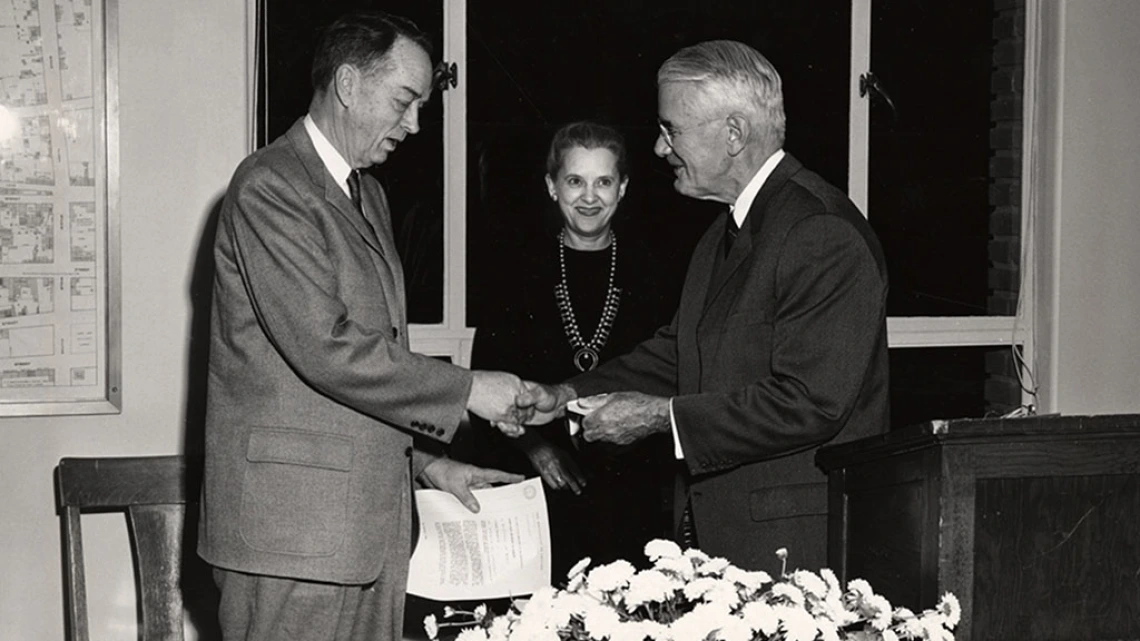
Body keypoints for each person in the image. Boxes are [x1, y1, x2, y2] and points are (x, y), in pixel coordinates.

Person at [197, 11, 536, 641]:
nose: (414, 124)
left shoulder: (367, 193)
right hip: (292, 537)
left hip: (366, 531)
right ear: (349, 84)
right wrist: (467, 390)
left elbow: (366, 369)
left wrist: (429, 464)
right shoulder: (270, 187)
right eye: (404, 101)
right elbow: (328, 350)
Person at [521, 40, 889, 573]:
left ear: (734, 134)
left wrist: (657, 418)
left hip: (796, 551)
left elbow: (811, 402)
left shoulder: (820, 230)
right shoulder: (723, 231)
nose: (660, 148)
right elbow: (680, 353)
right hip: (724, 539)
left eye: (672, 129)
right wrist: (564, 396)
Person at [465, 121, 678, 580]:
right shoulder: (516, 268)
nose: (589, 197)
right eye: (575, 181)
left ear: (623, 188)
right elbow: (486, 381)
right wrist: (536, 449)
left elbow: (668, 373)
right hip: (538, 483)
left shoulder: (655, 271)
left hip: (633, 482)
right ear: (551, 186)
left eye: (603, 182)